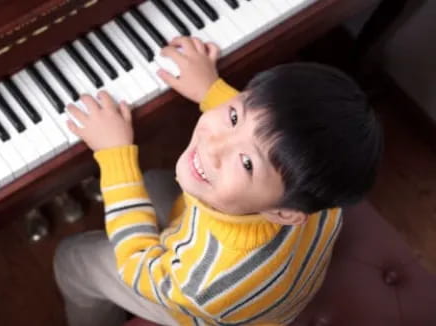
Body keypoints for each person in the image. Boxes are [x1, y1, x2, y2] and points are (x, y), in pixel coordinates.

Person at [53, 36, 383, 326]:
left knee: (72, 259)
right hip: (262, 271)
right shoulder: (317, 190)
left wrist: (115, 153)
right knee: (153, 182)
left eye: (247, 163)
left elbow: (138, 265)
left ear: (284, 214)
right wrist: (211, 89)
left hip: (202, 307)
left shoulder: (203, 284)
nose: (214, 145)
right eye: (234, 116)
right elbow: (270, 133)